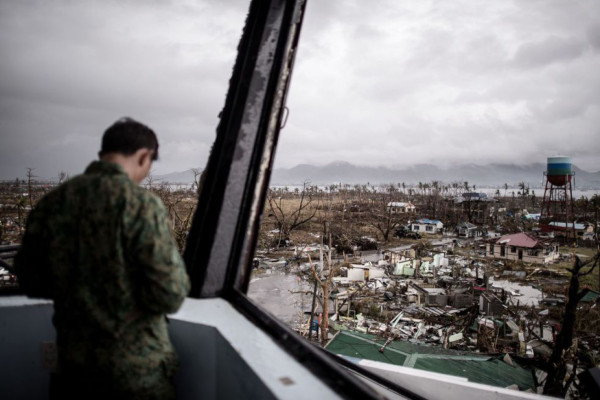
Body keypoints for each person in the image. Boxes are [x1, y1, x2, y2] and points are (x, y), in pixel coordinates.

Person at [15, 117, 190, 399]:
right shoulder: (141, 205)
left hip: (73, 372)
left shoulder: (54, 202)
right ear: (145, 156)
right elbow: (170, 294)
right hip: (135, 374)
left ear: (102, 154)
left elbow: (32, 281)